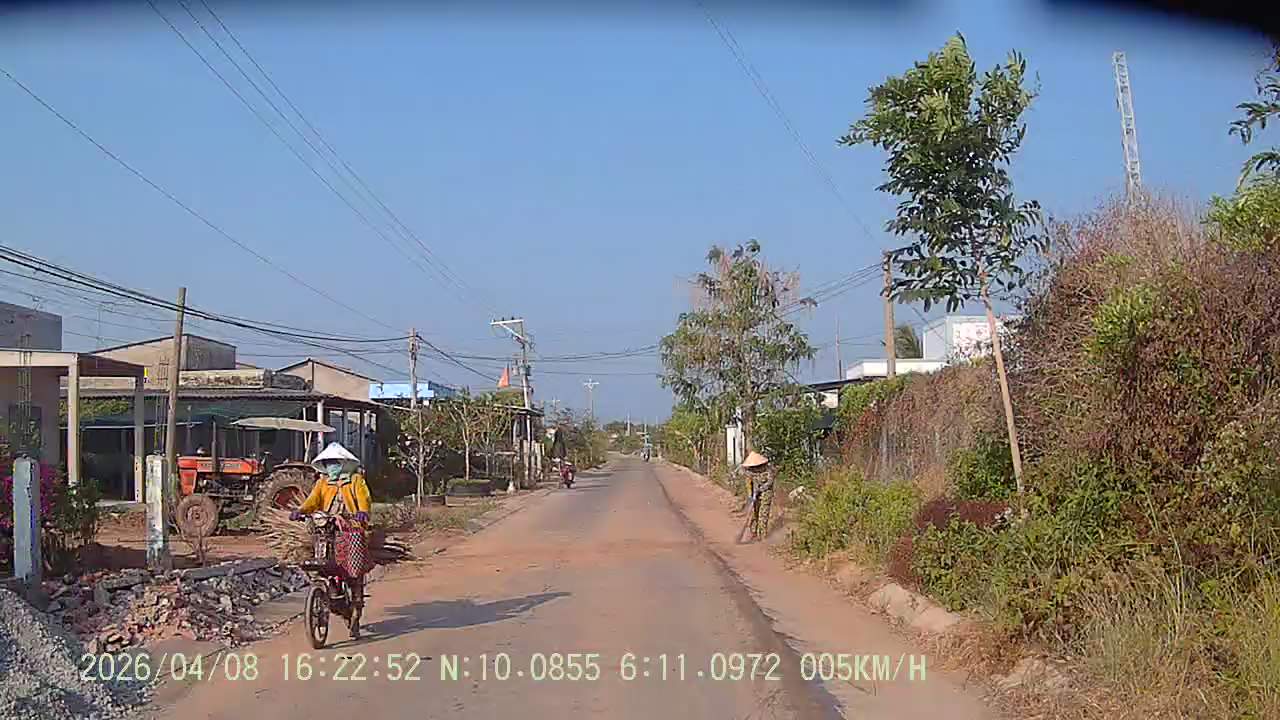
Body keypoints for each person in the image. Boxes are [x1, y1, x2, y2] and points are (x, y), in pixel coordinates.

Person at [291, 441, 372, 637]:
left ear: (343, 463)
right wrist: (301, 511)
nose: (331, 467)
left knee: (353, 566)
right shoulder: (322, 483)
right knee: (318, 555)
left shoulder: (355, 480)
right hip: (327, 525)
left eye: (334, 463)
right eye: (328, 463)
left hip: (350, 526)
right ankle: (327, 589)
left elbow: (364, 499)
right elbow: (313, 501)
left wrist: (362, 512)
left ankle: (356, 603)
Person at [741, 451, 774, 542]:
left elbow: (770, 482)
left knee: (763, 514)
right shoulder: (749, 471)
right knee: (755, 512)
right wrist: (750, 495)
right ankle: (754, 532)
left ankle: (762, 535)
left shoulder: (768, 469)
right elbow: (748, 483)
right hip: (755, 493)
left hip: (766, 493)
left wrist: (761, 488)